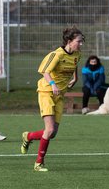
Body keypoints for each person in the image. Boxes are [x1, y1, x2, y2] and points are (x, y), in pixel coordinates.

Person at [21, 25, 84, 172]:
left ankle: (28, 136)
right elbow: (45, 71)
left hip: (60, 95)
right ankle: (39, 163)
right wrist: (53, 84)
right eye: (79, 41)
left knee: (53, 133)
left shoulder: (77, 54)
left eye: (82, 41)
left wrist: (75, 78)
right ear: (69, 41)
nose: (81, 44)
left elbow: (74, 65)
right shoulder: (56, 55)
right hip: (46, 92)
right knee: (49, 130)